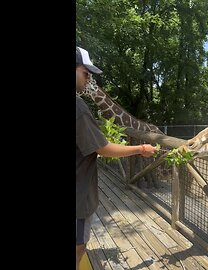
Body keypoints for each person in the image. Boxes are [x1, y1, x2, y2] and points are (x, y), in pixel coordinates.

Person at [75, 46, 156, 269]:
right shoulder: (78, 106)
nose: (88, 78)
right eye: (85, 72)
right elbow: (102, 148)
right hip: (78, 196)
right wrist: (140, 148)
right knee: (78, 246)